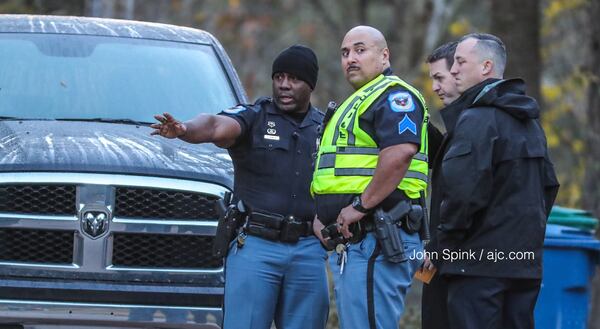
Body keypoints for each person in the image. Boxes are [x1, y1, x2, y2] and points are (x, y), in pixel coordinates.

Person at [151, 45, 328, 329]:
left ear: (310, 84)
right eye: (279, 76)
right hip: (257, 247)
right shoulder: (255, 116)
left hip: (308, 250)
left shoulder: (327, 127)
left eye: (293, 79)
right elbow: (215, 126)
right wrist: (186, 130)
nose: (283, 84)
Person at [428, 33, 560, 329]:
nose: (453, 70)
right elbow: (549, 186)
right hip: (523, 266)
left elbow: (462, 194)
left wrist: (445, 244)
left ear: (486, 67)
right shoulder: (531, 124)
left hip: (476, 268)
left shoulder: (477, 119)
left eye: (460, 62)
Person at [311, 25, 428, 329]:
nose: (350, 58)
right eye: (345, 52)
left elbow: (400, 152)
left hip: (378, 235)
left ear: (384, 55)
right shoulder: (358, 99)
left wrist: (360, 207)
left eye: (360, 50)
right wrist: (320, 213)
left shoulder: (394, 95)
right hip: (355, 241)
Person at [421, 40, 460, 329]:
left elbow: (465, 197)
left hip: (463, 263)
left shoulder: (477, 125)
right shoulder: (457, 128)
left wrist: (438, 248)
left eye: (439, 78)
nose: (434, 87)